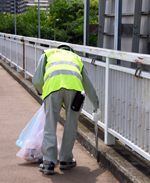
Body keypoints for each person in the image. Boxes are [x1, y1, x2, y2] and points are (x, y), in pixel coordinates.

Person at [32, 45, 101, 175]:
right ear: (71, 52)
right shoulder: (76, 58)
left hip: (53, 87)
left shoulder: (48, 54)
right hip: (74, 89)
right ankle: (66, 160)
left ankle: (48, 164)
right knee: (71, 125)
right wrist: (96, 106)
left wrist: (42, 93)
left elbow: (37, 80)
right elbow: (88, 86)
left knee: (50, 126)